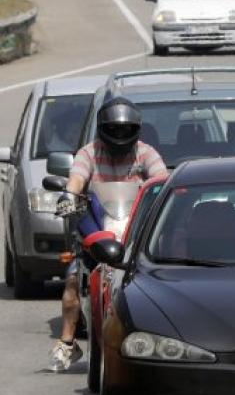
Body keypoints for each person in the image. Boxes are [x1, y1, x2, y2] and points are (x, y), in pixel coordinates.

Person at [46, 99, 165, 372]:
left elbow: (160, 179)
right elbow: (76, 179)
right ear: (102, 129)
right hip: (97, 227)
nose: (120, 136)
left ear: (136, 130)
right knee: (73, 281)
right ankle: (67, 343)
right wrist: (68, 196)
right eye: (114, 129)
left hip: (133, 232)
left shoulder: (146, 154)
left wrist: (162, 194)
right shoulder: (88, 153)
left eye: (126, 130)